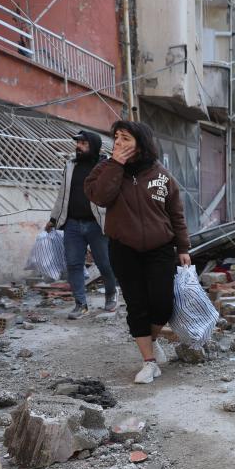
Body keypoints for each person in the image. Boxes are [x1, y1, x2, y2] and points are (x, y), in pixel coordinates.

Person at [85, 120, 191, 385]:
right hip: (124, 248)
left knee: (163, 304)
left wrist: (184, 247)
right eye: (116, 138)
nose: (118, 143)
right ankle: (149, 362)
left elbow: (176, 214)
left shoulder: (161, 175)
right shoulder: (105, 169)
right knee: (137, 305)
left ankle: (150, 342)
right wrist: (116, 166)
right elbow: (100, 197)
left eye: (125, 139)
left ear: (140, 144)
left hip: (161, 249)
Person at [47, 131, 118, 319]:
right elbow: (63, 194)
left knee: (105, 264)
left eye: (83, 143)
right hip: (72, 224)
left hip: (97, 225)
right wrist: (53, 219)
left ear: (93, 146)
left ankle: (111, 294)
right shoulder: (70, 165)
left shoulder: (106, 166)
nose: (78, 146)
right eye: (78, 143)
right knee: (73, 264)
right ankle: (81, 304)